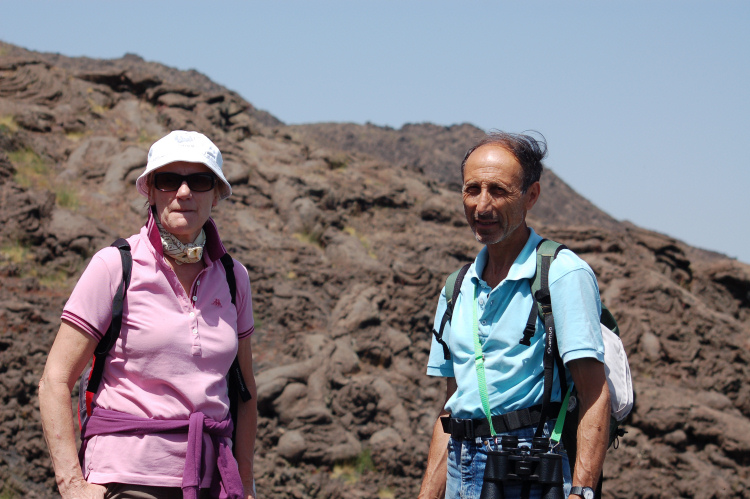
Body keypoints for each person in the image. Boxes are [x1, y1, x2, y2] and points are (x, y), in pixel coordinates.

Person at [38, 131, 257, 499]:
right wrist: (72, 485)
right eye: (169, 180)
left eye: (200, 180)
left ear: (217, 194)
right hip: (126, 479)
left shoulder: (234, 277)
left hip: (213, 483)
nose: (184, 193)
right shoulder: (115, 265)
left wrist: (246, 484)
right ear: (151, 191)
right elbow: (54, 380)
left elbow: (245, 392)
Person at [418, 132, 610, 499]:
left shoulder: (563, 274)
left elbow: (593, 393)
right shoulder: (456, 288)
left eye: (499, 191)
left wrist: (582, 493)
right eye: (472, 189)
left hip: (530, 470)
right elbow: (452, 408)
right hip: (461, 468)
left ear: (531, 196)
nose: (482, 205)